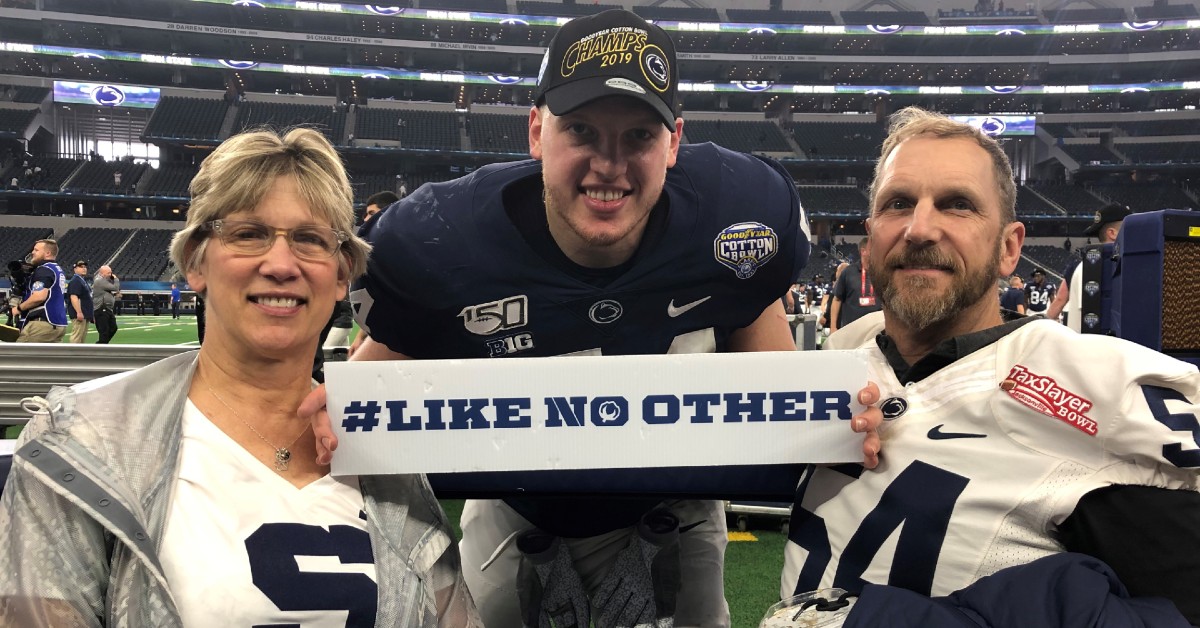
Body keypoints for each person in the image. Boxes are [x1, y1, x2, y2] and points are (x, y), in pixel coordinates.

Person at [303, 9, 882, 627]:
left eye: (638, 136)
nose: (609, 165)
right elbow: (374, 387)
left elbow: (757, 335)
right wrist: (327, 411)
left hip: (676, 501)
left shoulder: (737, 215)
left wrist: (836, 420)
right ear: (535, 132)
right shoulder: (441, 239)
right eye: (580, 130)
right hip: (518, 507)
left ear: (675, 142)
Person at [0, 128, 479, 627]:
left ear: (342, 276)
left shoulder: (381, 441)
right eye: (247, 234)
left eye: (310, 239)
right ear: (194, 262)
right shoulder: (82, 439)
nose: (280, 264)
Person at [781, 107, 1200, 624]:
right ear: (869, 244)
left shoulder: (1088, 385)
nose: (919, 228)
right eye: (898, 203)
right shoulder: (845, 352)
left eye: (957, 205)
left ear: (1008, 248)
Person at [1045, 203, 1130, 332]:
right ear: (1112, 233)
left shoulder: (1077, 265)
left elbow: (1060, 300)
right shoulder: (1121, 266)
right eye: (1129, 229)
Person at [13, 239, 67, 343]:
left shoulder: (44, 270)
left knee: (19, 356)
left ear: (47, 253)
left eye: (36, 250)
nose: (32, 252)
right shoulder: (56, 268)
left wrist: (19, 308)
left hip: (42, 323)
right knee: (47, 359)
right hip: (57, 322)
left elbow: (39, 297)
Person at [829, 238, 881, 333]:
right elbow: (837, 299)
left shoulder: (881, 272)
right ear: (863, 251)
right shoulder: (848, 272)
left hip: (876, 330)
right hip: (851, 330)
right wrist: (833, 327)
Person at [66, 260, 93, 343]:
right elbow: (74, 297)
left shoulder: (82, 280)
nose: (84, 269)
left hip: (85, 313)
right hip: (80, 313)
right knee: (77, 337)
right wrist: (79, 312)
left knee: (81, 338)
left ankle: (79, 355)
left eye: (85, 267)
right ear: (75, 269)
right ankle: (72, 354)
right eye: (81, 267)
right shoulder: (76, 281)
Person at [92, 264, 120, 343]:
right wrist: (116, 279)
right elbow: (116, 288)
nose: (110, 275)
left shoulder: (104, 281)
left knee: (113, 328)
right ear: (102, 273)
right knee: (104, 332)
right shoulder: (99, 280)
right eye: (108, 273)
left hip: (107, 309)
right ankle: (100, 348)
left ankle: (101, 344)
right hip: (101, 309)